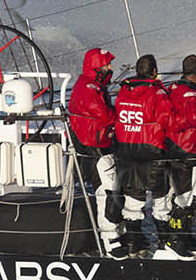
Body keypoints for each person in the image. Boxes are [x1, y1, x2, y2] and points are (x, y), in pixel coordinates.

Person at [111, 54, 172, 259]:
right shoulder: (158, 92)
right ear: (154, 71)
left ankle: (133, 245)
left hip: (127, 150)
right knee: (161, 201)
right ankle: (165, 246)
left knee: (133, 200)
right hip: (151, 151)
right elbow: (167, 121)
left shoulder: (123, 91)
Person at [158, 54, 196, 259]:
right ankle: (176, 240)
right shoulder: (192, 95)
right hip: (187, 149)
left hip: (174, 146)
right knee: (185, 198)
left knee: (187, 195)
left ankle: (183, 236)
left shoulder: (173, 87)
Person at [67, 48, 120, 249]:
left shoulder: (92, 85)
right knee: (107, 193)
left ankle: (114, 231)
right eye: (107, 64)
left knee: (110, 190)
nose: (111, 68)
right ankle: (110, 240)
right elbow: (105, 115)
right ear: (97, 67)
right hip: (96, 148)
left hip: (100, 145)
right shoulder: (89, 89)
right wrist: (122, 113)